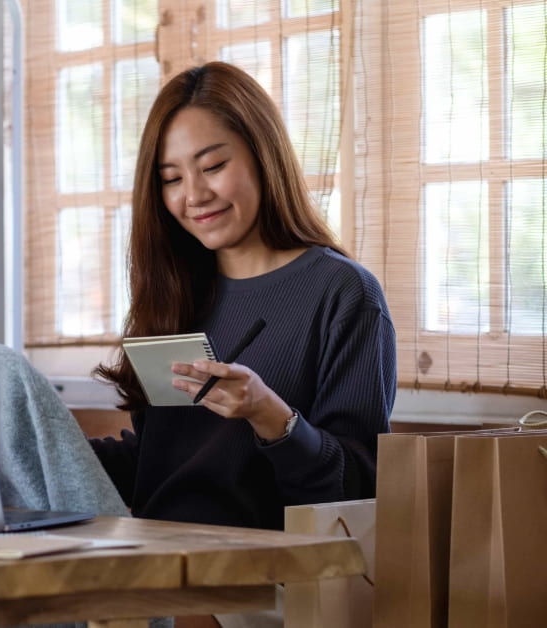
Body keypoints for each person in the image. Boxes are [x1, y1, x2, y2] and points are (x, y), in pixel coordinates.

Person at [91, 61, 397, 533]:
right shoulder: (174, 290)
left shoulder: (343, 293)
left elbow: (356, 490)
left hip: (269, 565)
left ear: (262, 155)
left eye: (213, 166)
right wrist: (27, 443)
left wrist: (269, 414)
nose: (194, 195)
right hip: (157, 554)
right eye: (171, 179)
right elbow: (158, 465)